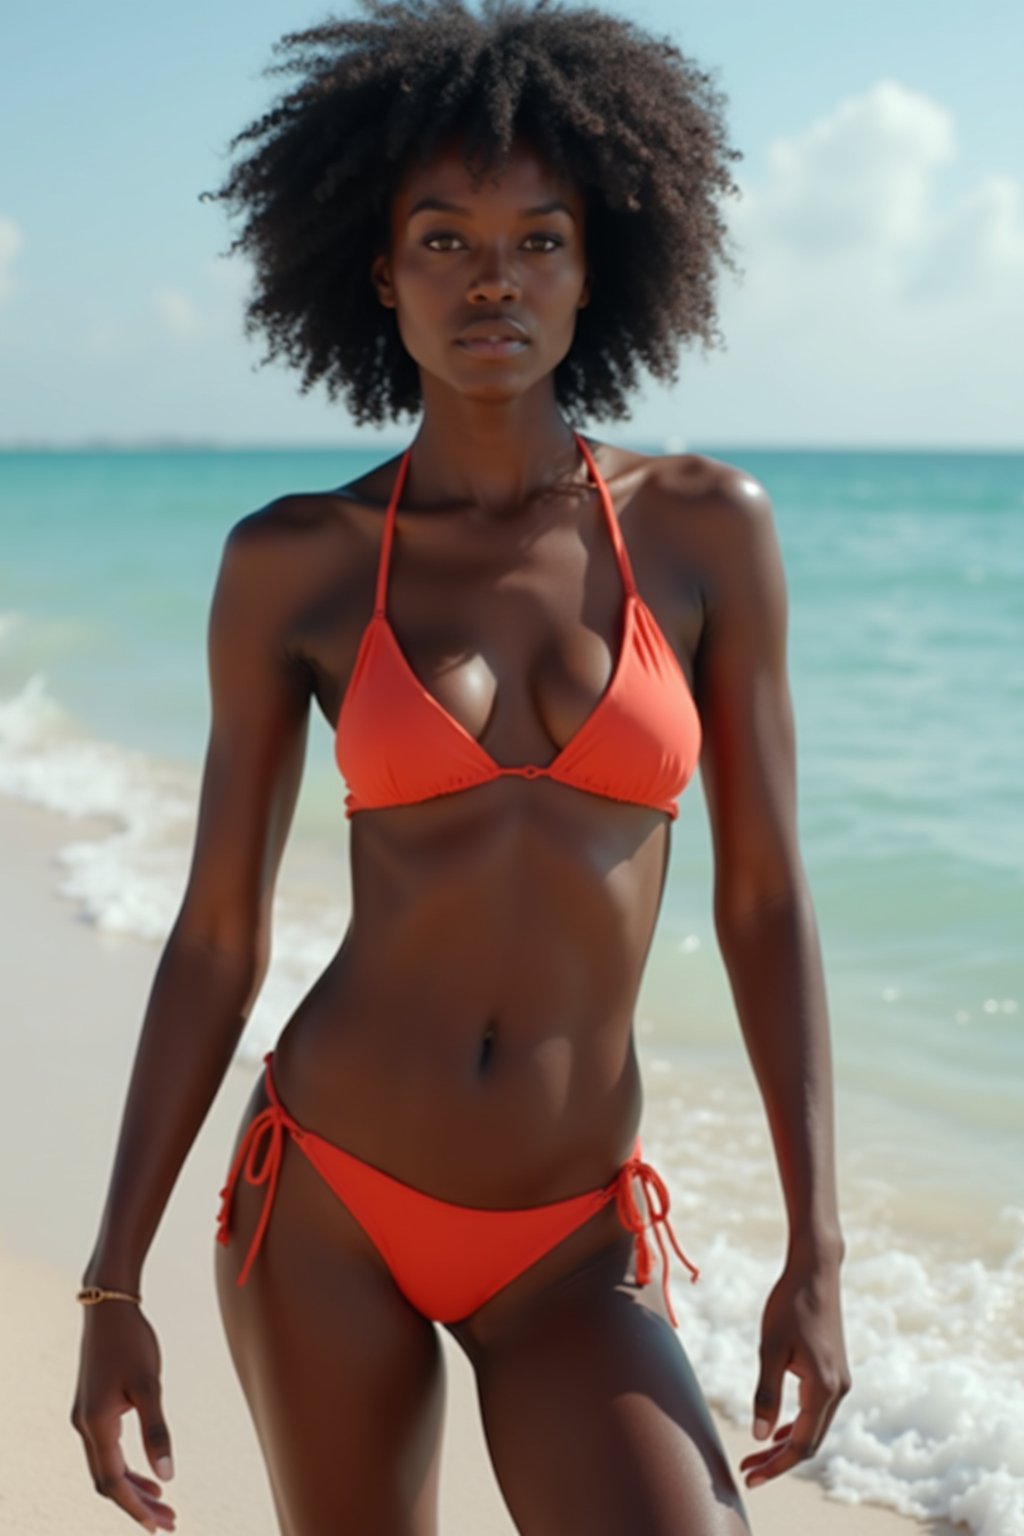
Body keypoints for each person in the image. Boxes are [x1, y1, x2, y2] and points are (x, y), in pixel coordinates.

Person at [70, 2, 850, 1531]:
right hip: (328, 1200)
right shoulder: (296, 563)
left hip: (570, 1235)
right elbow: (218, 935)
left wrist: (816, 1247)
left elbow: (765, 903)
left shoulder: (705, 533)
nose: (492, 275)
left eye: (538, 237)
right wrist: (112, 1277)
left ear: (592, 265)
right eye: (443, 237)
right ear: (377, 274)